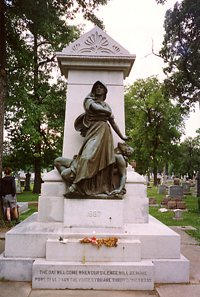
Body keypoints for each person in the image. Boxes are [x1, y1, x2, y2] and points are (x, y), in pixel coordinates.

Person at [63, 80, 131, 196]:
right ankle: (78, 184)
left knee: (102, 159)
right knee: (86, 157)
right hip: (94, 131)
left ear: (105, 91)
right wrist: (107, 111)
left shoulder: (107, 106)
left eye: (101, 87)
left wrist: (122, 136)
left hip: (105, 132)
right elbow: (95, 108)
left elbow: (113, 123)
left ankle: (88, 186)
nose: (98, 89)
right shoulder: (89, 101)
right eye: (97, 87)